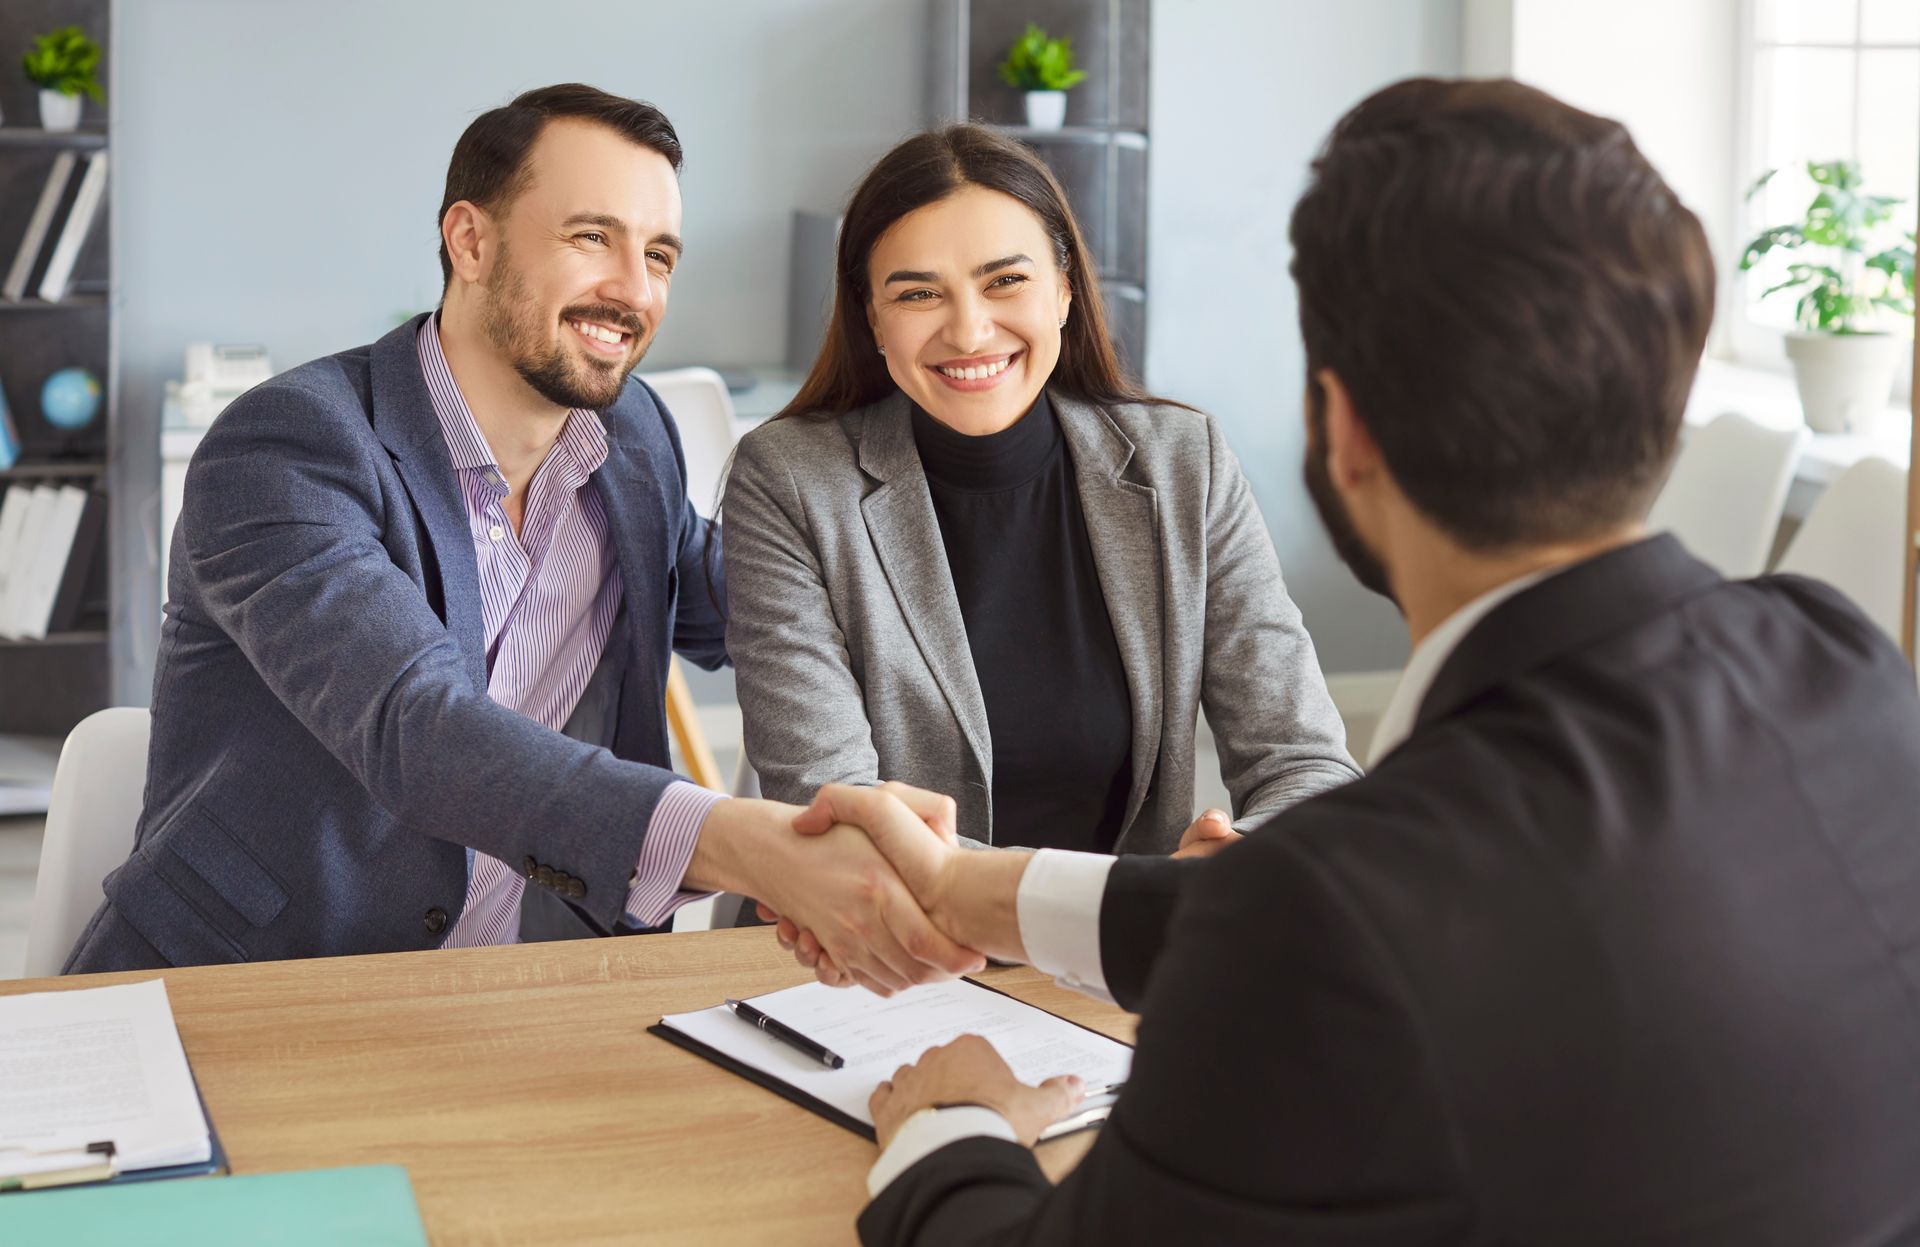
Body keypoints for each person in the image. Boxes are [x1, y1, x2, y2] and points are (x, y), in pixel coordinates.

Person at [772, 79, 1920, 1244]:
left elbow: (1319, 902)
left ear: (1343, 431)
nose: (969, 326)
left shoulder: (1333, 911)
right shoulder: (1850, 667)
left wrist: (948, 1128)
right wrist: (1006, 893)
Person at [63, 84, 979, 995]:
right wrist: (756, 847)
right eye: (593, 237)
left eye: (659, 253)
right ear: (470, 240)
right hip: (251, 991)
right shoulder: (287, 447)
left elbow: (757, 601)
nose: (634, 290)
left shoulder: (634, 438)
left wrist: (944, 448)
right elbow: (421, 732)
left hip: (523, 995)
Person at [723, 125, 1358, 859]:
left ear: (1063, 288)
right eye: (919, 292)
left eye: (1006, 280)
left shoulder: (1184, 463)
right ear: (873, 319)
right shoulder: (788, 480)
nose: (968, 331)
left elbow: (1306, 762)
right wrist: (1104, 904)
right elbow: (838, 817)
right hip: (878, 961)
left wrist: (1235, 857)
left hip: (1113, 959)